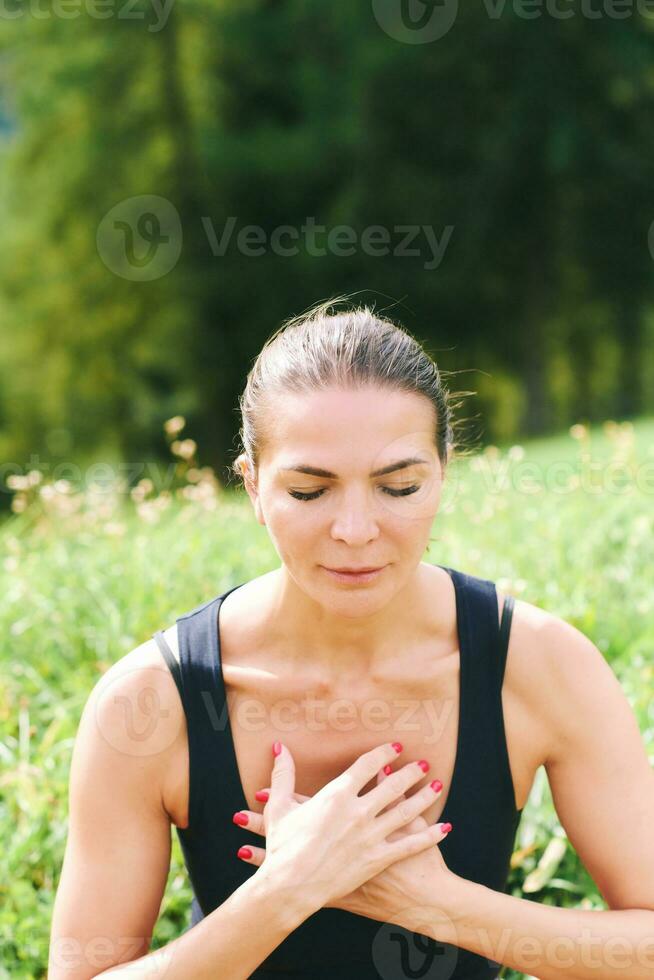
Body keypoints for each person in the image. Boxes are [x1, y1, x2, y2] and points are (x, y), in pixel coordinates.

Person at [49, 298, 654, 980]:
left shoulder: (541, 665)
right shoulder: (150, 701)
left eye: (399, 487)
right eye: (311, 492)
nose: (357, 531)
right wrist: (285, 891)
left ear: (443, 472)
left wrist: (435, 904)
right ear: (252, 487)